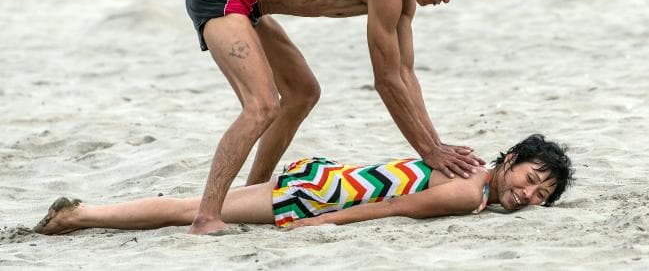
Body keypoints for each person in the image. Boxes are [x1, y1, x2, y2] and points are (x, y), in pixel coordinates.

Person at [183, 0, 485, 234]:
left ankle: (249, 192)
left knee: (303, 92)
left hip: (252, 4)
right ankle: (206, 217)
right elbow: (385, 81)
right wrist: (428, 152)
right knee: (262, 106)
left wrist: (436, 145)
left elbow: (404, 74)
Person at [33, 135, 574, 235]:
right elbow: (398, 209)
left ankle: (84, 214)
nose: (529, 195)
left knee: (195, 204)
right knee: (189, 210)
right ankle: (79, 216)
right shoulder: (467, 192)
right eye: (530, 179)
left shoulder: (471, 172)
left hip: (327, 178)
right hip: (319, 195)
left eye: (541, 195)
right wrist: (323, 222)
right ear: (509, 160)